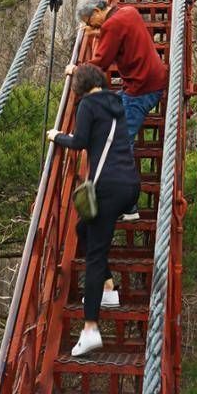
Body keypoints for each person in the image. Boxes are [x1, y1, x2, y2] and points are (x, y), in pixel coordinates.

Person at [48, 63, 140, 357]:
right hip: (129, 185)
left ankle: (90, 329)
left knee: (95, 255)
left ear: (80, 87)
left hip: (108, 188)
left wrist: (55, 136)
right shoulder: (116, 101)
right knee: (82, 231)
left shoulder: (88, 104)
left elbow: (80, 142)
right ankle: (110, 289)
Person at [66, 0, 167, 221]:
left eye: (90, 23)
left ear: (96, 13)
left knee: (123, 144)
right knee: (111, 110)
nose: (91, 27)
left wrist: (76, 69)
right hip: (153, 79)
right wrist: (99, 33)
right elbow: (119, 32)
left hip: (140, 90)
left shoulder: (111, 26)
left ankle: (129, 207)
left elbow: (101, 62)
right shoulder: (128, 11)